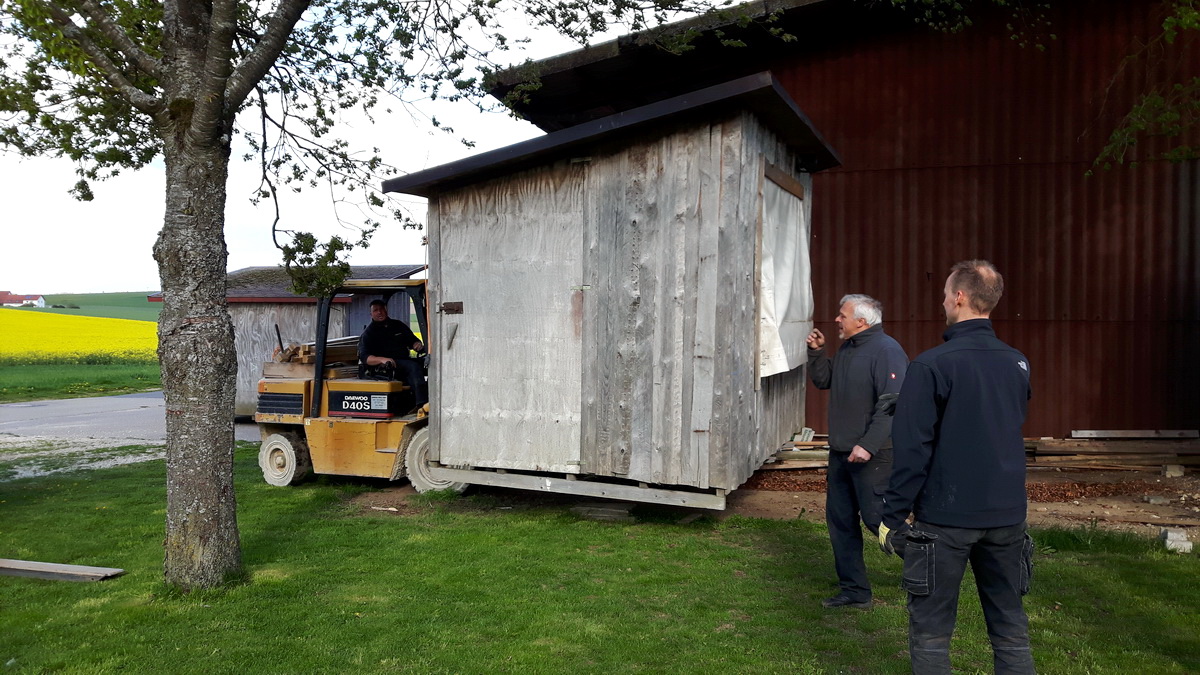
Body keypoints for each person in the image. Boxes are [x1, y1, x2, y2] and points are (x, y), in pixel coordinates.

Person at [879, 260, 1035, 674]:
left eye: (947, 293)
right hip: (1007, 516)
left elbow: (912, 451)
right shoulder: (1016, 362)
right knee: (1010, 628)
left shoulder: (932, 364)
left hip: (946, 521)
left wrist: (890, 517)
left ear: (960, 297)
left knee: (931, 635)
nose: (943, 300)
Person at [806, 294, 908, 610]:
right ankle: (854, 591)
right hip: (841, 453)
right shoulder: (850, 349)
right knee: (840, 522)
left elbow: (893, 406)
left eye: (842, 316)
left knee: (879, 519)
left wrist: (868, 445)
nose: (837, 320)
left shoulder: (887, 351)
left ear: (861, 321)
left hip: (873, 455)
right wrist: (817, 353)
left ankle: (929, 568)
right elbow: (824, 379)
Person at [359, 299, 428, 409]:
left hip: (404, 360)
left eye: (381, 309)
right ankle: (422, 404)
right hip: (386, 366)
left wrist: (417, 345)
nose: (379, 312)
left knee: (429, 363)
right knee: (413, 367)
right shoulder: (369, 333)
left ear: (386, 310)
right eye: (376, 310)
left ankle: (431, 397)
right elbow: (365, 358)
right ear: (371, 314)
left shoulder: (398, 325)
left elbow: (412, 341)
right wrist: (382, 359)